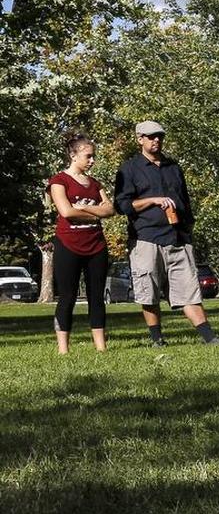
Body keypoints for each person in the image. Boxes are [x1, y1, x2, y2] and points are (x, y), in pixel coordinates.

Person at [113, 120, 219, 346]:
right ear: (140, 139)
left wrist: (187, 228)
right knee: (149, 292)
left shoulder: (173, 167)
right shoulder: (129, 169)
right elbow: (122, 205)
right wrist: (152, 201)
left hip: (178, 238)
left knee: (189, 290)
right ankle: (157, 339)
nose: (156, 140)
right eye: (151, 136)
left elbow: (185, 200)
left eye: (160, 136)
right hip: (146, 238)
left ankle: (209, 337)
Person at [47, 133, 116, 353]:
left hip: (96, 245)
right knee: (67, 296)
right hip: (68, 244)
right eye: (88, 156)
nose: (92, 160)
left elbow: (110, 209)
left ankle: (101, 348)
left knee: (97, 296)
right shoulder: (59, 181)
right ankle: (63, 349)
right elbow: (66, 212)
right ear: (73, 155)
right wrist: (96, 213)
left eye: (93, 156)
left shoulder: (95, 183)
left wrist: (83, 209)